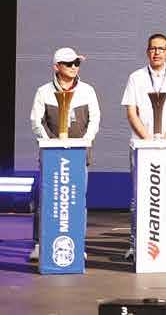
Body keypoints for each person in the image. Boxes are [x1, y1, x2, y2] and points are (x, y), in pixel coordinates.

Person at [121, 32, 166, 260]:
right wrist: (148, 140)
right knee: (139, 197)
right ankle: (135, 244)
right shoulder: (136, 77)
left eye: (161, 48)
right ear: (147, 52)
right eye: (153, 48)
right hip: (142, 146)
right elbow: (131, 112)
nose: (157, 52)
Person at [26, 47, 101, 263]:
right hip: (52, 155)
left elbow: (95, 119)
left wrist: (84, 142)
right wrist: (52, 143)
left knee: (77, 199)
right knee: (47, 199)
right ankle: (40, 244)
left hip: (79, 154)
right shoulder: (44, 91)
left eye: (77, 63)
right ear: (56, 67)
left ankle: (77, 242)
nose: (74, 67)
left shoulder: (87, 90)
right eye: (69, 64)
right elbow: (36, 121)